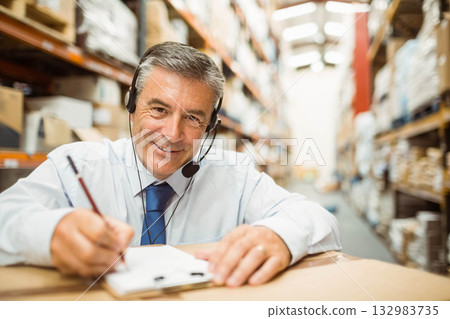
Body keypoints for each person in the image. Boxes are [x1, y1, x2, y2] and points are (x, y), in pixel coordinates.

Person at [0, 42, 341, 287]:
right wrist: (52, 234)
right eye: (159, 110)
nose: (173, 133)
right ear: (131, 104)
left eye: (193, 118)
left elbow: (321, 221)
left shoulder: (234, 175)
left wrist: (278, 236)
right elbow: (6, 215)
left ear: (210, 127)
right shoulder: (75, 165)